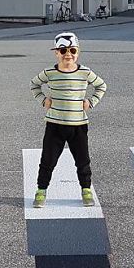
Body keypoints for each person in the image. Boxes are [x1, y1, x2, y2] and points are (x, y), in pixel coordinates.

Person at [29, 32, 107, 208]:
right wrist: (43, 99)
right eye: (63, 50)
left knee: (82, 161)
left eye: (72, 50)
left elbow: (101, 86)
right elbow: (34, 84)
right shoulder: (49, 72)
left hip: (78, 125)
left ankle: (86, 189)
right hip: (55, 124)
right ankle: (41, 190)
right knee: (47, 160)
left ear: (78, 52)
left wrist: (91, 102)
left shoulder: (85, 72)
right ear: (56, 52)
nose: (68, 54)